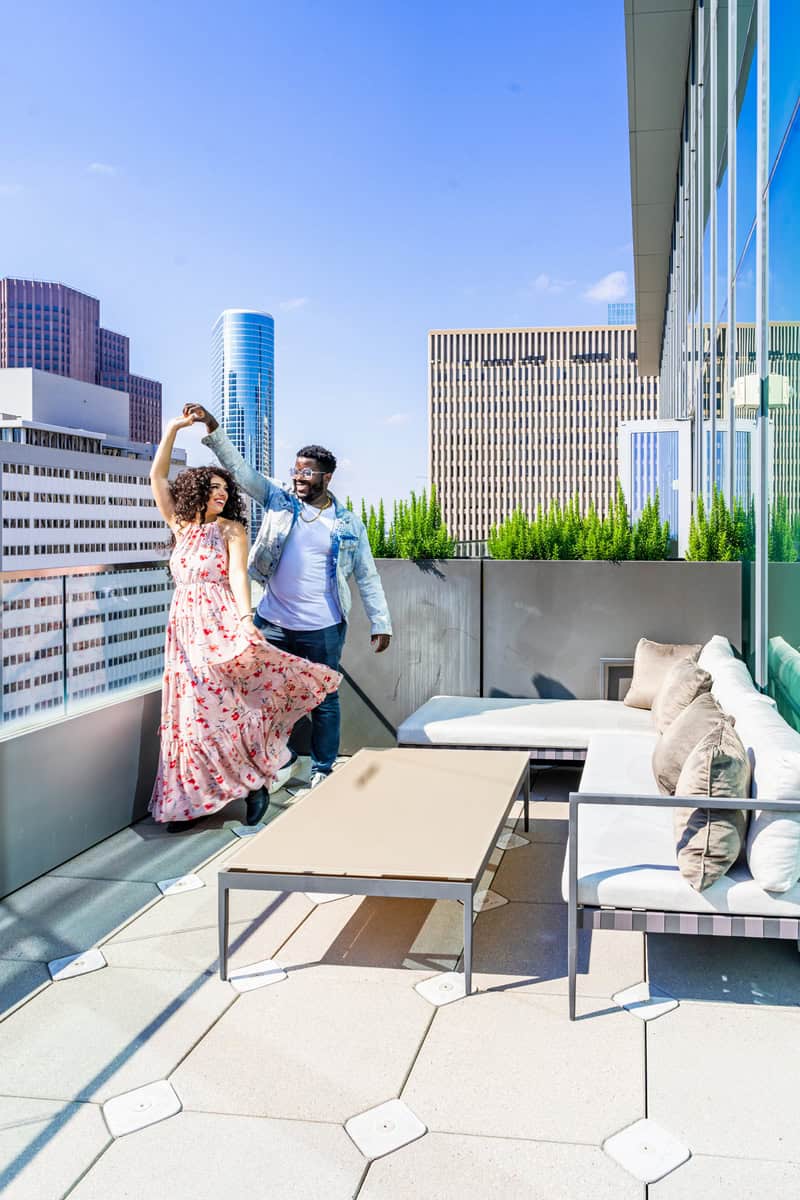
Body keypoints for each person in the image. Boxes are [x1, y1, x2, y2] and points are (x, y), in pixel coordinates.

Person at [183, 403, 392, 788]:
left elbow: (367, 574)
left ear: (326, 478)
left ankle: (322, 769)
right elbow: (242, 472)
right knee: (261, 697)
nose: (298, 477)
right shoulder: (279, 501)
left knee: (325, 701)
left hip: (323, 628)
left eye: (307, 472)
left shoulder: (348, 524)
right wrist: (212, 427)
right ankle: (279, 756)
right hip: (271, 622)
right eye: (295, 470)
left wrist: (381, 622)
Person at [148, 413, 341, 829]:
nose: (220, 494)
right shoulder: (180, 526)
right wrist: (172, 431)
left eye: (224, 489)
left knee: (226, 708)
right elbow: (158, 477)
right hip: (183, 633)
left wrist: (245, 619)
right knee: (189, 714)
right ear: (196, 491)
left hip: (220, 627)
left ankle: (255, 783)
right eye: (213, 488)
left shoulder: (232, 530)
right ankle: (192, 799)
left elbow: (239, 577)